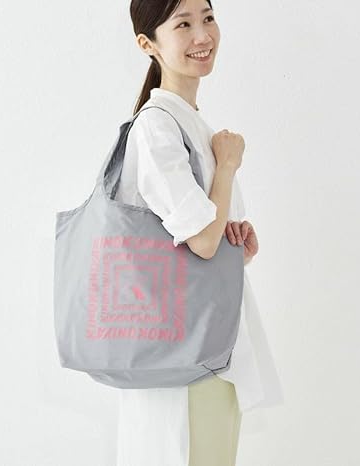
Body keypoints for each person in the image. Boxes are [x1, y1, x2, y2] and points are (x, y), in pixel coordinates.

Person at [115, 1, 284, 465]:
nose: (202, 35)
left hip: (209, 351)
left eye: (208, 18)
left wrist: (236, 248)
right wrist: (226, 165)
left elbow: (202, 244)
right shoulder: (157, 127)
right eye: (183, 24)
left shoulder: (188, 122)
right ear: (147, 44)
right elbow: (204, 242)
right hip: (185, 364)